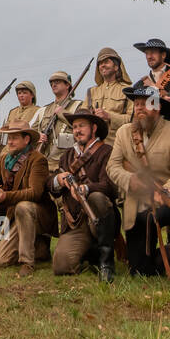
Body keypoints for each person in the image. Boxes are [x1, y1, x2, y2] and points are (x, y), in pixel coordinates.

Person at [106, 84, 170, 293]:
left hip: (165, 201)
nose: (139, 108)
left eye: (145, 104)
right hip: (137, 207)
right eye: (137, 104)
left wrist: (166, 190)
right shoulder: (124, 133)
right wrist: (130, 180)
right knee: (140, 272)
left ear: (157, 107)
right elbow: (112, 167)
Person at [0, 120, 56, 276]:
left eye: (15, 138)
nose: (10, 142)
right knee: (1, 261)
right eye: (9, 138)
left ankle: (27, 263)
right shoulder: (5, 159)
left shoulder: (38, 160)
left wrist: (6, 196)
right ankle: (39, 248)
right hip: (13, 214)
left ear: (26, 140)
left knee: (23, 206)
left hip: (36, 214)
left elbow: (35, 193)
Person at [48, 108, 117, 282]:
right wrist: (58, 179)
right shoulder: (67, 156)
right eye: (75, 127)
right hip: (76, 223)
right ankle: (90, 252)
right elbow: (50, 186)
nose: (77, 130)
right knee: (61, 266)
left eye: (82, 126)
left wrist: (86, 189)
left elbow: (109, 186)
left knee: (97, 197)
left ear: (94, 128)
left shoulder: (106, 152)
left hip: (101, 219)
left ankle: (106, 261)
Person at [36, 70, 84, 173]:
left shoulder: (78, 105)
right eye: (52, 83)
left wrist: (62, 113)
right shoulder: (44, 110)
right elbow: (31, 133)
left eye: (57, 81)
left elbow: (82, 126)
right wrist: (38, 136)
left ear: (67, 85)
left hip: (69, 159)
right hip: (46, 161)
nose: (53, 84)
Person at [85, 47, 133, 140]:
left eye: (106, 62)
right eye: (100, 63)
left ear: (116, 67)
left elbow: (132, 119)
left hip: (118, 143)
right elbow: (82, 117)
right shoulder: (91, 92)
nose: (102, 65)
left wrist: (109, 116)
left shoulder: (128, 90)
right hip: (94, 145)